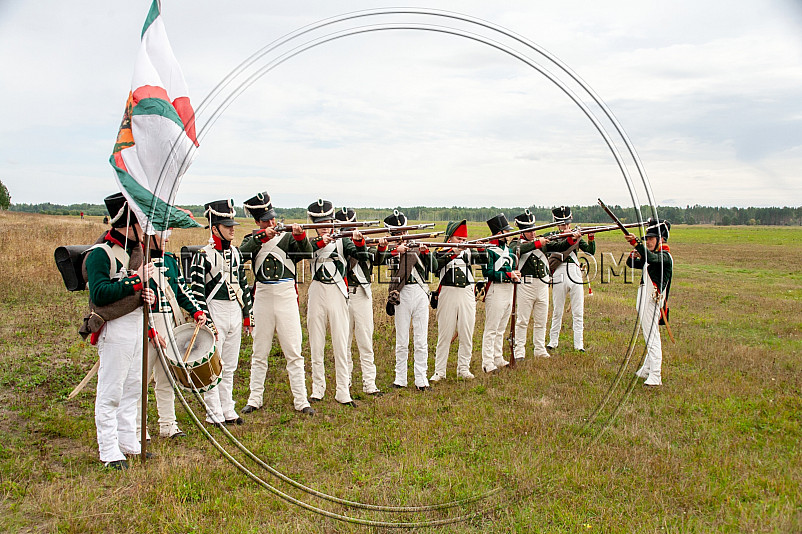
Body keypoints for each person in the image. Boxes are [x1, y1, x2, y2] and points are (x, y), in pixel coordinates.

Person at [85, 192, 155, 470]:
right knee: (111, 391)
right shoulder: (100, 254)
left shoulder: (134, 251)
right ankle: (109, 450)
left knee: (133, 387)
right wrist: (136, 281)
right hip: (114, 327)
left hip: (136, 323)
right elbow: (100, 294)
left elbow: (138, 288)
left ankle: (128, 441)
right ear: (129, 223)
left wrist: (147, 293)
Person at [239, 191, 315, 416]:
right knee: (259, 350)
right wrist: (261, 237)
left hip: (285, 294)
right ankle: (254, 398)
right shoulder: (251, 239)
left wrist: (300, 237)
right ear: (257, 222)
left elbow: (307, 253)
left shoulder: (288, 237)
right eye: (265, 220)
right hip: (262, 294)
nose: (271, 222)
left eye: (272, 218)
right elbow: (240, 254)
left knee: (294, 350)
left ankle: (301, 400)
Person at [189, 199, 253, 426]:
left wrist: (247, 315)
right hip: (214, 308)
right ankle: (213, 412)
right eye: (227, 226)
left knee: (230, 364)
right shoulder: (202, 256)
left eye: (233, 225)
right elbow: (197, 292)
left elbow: (243, 285)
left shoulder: (236, 254)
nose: (233, 229)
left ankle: (228, 409)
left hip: (234, 310)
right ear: (214, 228)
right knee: (213, 366)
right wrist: (206, 320)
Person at [140, 228, 207, 439]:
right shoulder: (137, 260)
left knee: (166, 377)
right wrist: (150, 330)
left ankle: (168, 425)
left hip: (168, 322)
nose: (166, 240)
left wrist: (196, 310)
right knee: (140, 379)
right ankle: (137, 429)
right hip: (146, 321)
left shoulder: (169, 260)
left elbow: (180, 290)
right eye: (161, 235)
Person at [305, 200, 371, 407]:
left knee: (341, 342)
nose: (326, 227)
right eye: (321, 223)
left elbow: (361, 255)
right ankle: (318, 388)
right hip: (317, 290)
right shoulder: (308, 242)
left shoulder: (342, 241)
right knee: (316, 342)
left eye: (328, 222)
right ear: (314, 225)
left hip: (337, 291)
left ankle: (343, 390)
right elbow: (303, 252)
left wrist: (359, 242)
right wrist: (320, 241)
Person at [384, 210, 438, 391]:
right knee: (402, 339)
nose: (402, 236)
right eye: (397, 233)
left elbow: (434, 268)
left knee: (421, 339)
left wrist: (426, 252)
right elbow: (380, 261)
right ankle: (400, 378)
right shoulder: (392, 250)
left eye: (404, 232)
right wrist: (394, 251)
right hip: (402, 294)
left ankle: (421, 379)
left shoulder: (417, 246)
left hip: (420, 293)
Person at [430, 220, 486, 381]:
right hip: (447, 293)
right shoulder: (440, 251)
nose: (462, 242)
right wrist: (454, 251)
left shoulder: (467, 251)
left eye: (464, 240)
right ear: (450, 239)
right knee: (445, 334)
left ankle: (463, 368)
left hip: (467, 293)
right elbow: (435, 266)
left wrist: (481, 248)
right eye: (459, 239)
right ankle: (439, 371)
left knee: (466, 332)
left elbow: (483, 260)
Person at [336, 207, 383, 396]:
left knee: (365, 342)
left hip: (362, 295)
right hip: (342, 295)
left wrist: (380, 247)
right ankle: (345, 382)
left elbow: (378, 260)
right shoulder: (336, 246)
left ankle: (369, 383)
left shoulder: (363, 243)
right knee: (343, 342)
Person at [512, 209, 570, 360]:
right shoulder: (516, 243)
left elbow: (560, 246)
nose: (533, 233)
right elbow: (516, 250)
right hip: (526, 285)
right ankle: (519, 350)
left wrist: (572, 239)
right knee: (522, 320)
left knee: (541, 319)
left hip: (543, 284)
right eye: (529, 231)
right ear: (522, 231)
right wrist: (537, 243)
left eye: (534, 230)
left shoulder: (542, 241)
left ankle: (539, 348)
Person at [625, 218, 673, 387]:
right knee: (649, 336)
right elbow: (630, 263)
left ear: (662, 240)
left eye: (652, 238)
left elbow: (652, 257)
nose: (649, 241)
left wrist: (637, 245)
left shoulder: (665, 257)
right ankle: (647, 368)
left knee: (652, 337)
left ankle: (655, 375)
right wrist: (635, 252)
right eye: (648, 239)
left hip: (652, 302)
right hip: (644, 301)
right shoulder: (651, 256)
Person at [546, 206, 596, 353]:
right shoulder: (552, 235)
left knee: (578, 311)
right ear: (556, 223)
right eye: (562, 224)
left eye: (567, 223)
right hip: (559, 272)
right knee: (557, 310)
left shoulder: (576, 236)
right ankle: (553, 341)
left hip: (575, 272)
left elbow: (590, 252)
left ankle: (578, 344)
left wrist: (591, 237)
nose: (565, 226)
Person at [481, 214, 520, 373]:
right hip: (496, 289)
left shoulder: (508, 249)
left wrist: (514, 274)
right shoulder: (488, 249)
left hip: (508, 289)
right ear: (499, 233)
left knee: (501, 328)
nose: (509, 234)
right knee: (491, 328)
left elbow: (508, 269)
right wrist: (507, 275)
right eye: (506, 231)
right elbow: (487, 272)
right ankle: (487, 361)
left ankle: (498, 356)